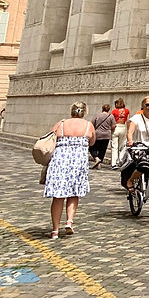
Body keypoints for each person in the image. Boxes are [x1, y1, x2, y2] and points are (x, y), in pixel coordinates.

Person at [43, 101, 95, 238]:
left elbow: (50, 137)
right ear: (84, 112)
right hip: (78, 163)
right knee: (74, 193)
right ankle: (69, 222)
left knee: (58, 196)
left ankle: (55, 230)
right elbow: (92, 141)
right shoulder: (88, 125)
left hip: (59, 162)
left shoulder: (61, 124)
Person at [89, 104, 115, 169]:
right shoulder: (111, 116)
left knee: (92, 148)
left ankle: (96, 158)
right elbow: (114, 125)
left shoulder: (97, 115)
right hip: (106, 135)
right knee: (103, 150)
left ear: (102, 108)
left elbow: (92, 123)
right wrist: (109, 128)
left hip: (97, 134)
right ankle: (99, 163)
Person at [109, 98, 129, 168]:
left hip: (116, 127)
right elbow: (128, 120)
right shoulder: (127, 111)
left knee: (114, 146)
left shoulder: (114, 111)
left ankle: (114, 163)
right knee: (121, 146)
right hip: (123, 127)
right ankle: (120, 160)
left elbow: (111, 120)